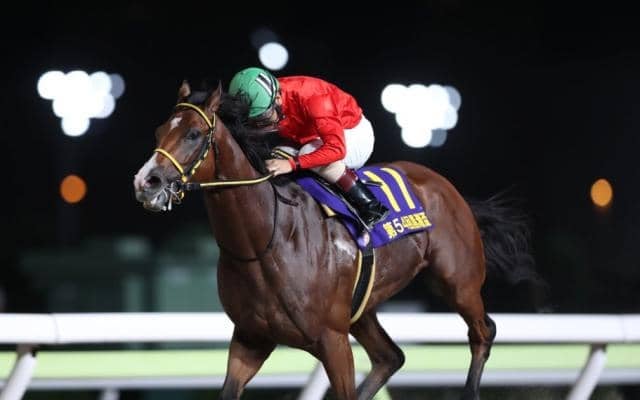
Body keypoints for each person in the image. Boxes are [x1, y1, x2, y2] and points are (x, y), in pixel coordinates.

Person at [228, 67, 389, 229]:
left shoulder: (314, 99)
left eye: (263, 116)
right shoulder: (265, 98)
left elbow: (336, 149)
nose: (259, 125)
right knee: (277, 154)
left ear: (277, 98)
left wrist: (292, 164)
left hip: (353, 135)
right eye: (253, 120)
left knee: (306, 152)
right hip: (315, 135)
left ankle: (371, 206)